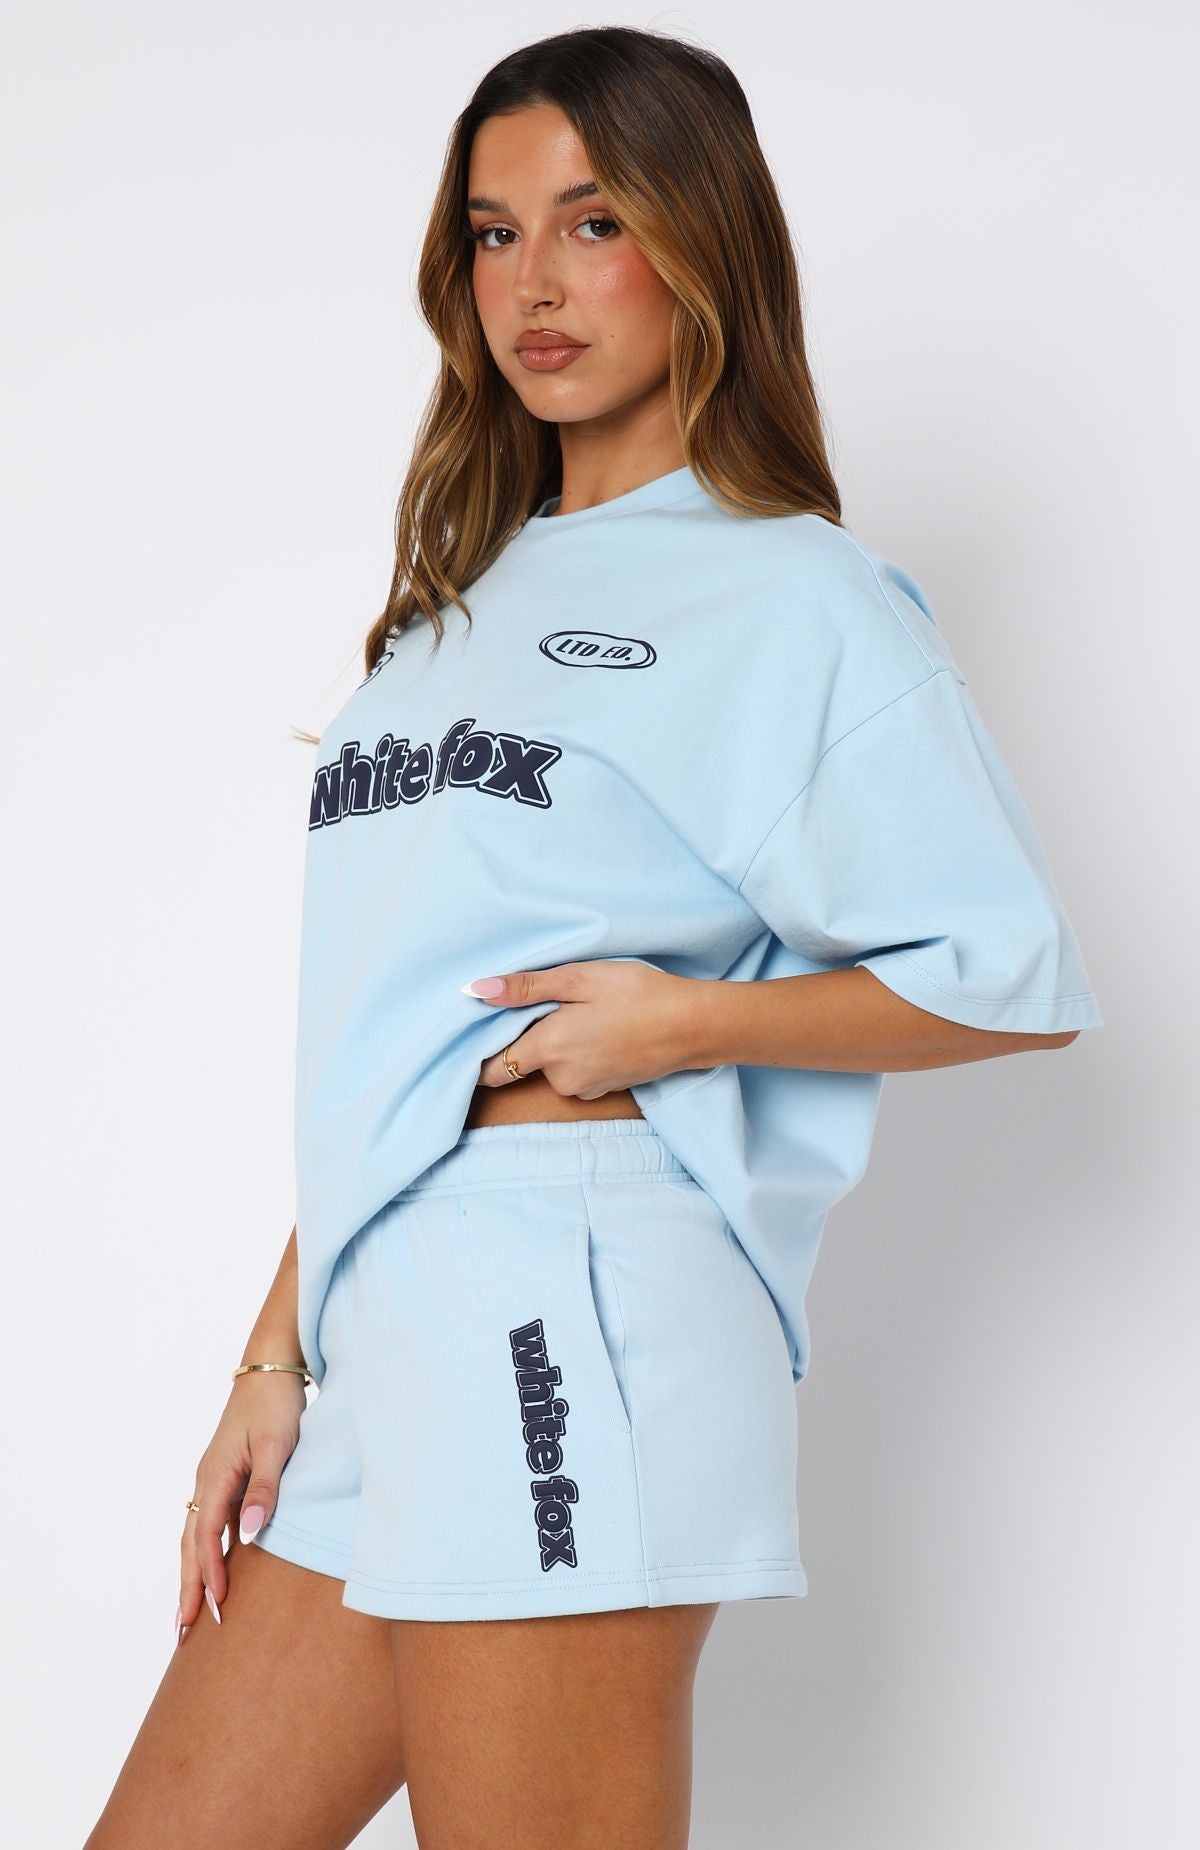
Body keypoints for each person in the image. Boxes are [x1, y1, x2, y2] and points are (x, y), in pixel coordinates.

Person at [85, 25, 1103, 1850]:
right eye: (494, 233)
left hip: (571, 1289)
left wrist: (685, 1024)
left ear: (701, 242)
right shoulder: (445, 619)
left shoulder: (793, 591)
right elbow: (398, 1022)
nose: (533, 284)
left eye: (594, 221)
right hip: (381, 1314)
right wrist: (274, 1354)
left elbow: (1008, 975)